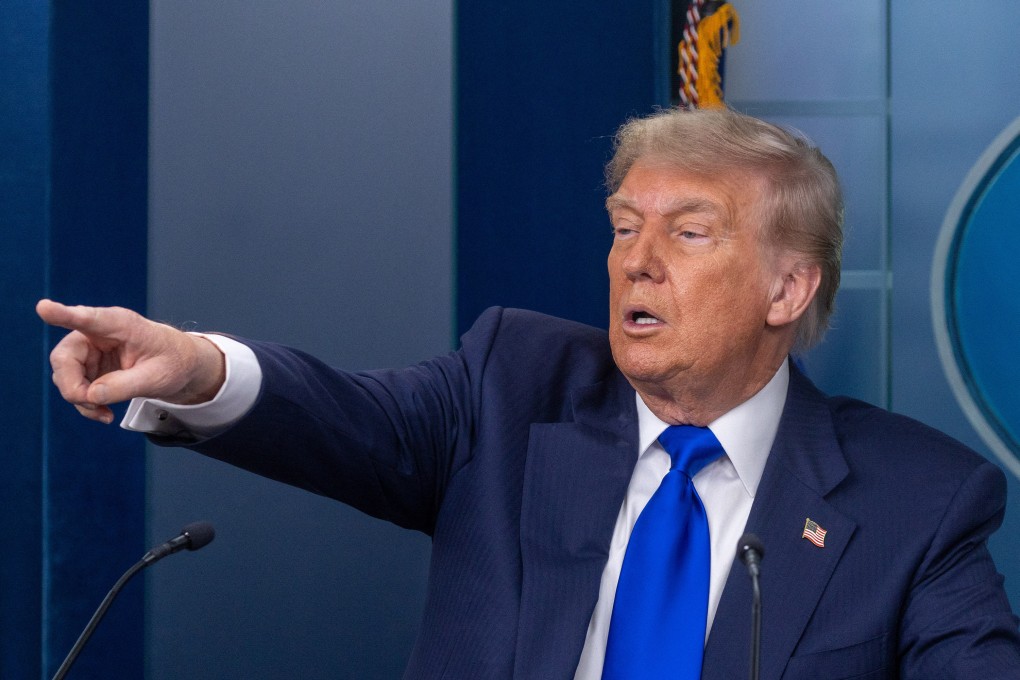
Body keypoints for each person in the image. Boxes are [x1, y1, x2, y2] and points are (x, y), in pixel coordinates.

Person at [38, 107, 1020, 679]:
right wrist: (199, 368)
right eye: (624, 226)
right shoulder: (511, 387)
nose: (636, 260)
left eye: (688, 233)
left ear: (788, 289)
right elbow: (348, 418)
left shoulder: (918, 501)